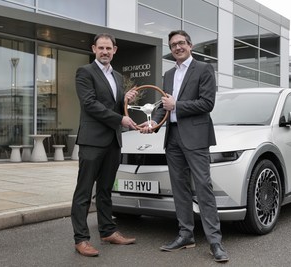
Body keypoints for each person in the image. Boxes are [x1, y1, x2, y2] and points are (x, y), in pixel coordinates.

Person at [140, 30, 229, 262]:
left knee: (203, 188)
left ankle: (215, 242)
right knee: (179, 189)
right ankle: (185, 235)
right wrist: (153, 124)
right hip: (173, 137)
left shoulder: (204, 69)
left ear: (190, 45)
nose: (177, 47)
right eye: (173, 45)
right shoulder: (168, 74)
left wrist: (177, 104)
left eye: (181, 43)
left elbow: (207, 103)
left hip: (196, 137)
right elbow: (163, 105)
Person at [71, 33, 138, 257]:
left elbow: (112, 104)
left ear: (115, 50)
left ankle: (108, 230)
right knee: (83, 191)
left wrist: (124, 99)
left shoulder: (117, 77)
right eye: (101, 48)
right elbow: (90, 104)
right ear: (94, 49)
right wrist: (120, 119)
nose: (105, 52)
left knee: (105, 189)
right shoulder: (85, 72)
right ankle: (81, 239)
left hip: (113, 141)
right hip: (92, 140)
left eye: (108, 48)